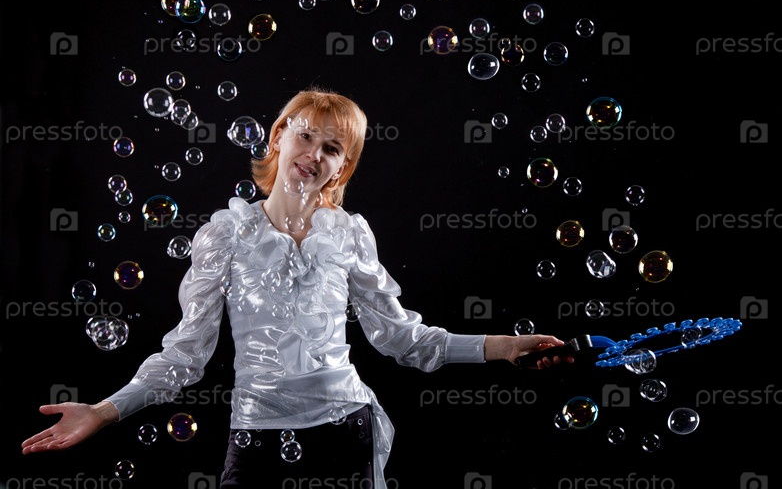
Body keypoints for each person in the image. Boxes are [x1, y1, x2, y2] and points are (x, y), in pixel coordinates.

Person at [21, 87, 573, 488]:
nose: (314, 154)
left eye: (332, 147)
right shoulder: (227, 234)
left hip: (346, 430)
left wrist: (505, 347)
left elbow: (403, 339)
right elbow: (185, 357)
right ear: (278, 137)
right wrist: (104, 410)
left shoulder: (350, 233)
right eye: (305, 135)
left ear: (342, 168)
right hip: (258, 435)